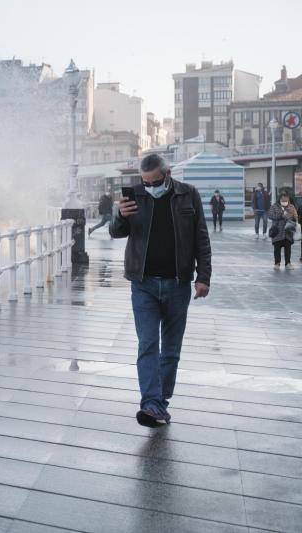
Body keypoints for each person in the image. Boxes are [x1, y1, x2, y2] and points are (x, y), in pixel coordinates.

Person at [110, 154, 211, 427]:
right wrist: (121, 216)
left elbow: (201, 236)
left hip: (178, 283)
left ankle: (160, 402)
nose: (150, 186)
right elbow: (116, 232)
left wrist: (204, 277)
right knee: (148, 344)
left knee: (171, 349)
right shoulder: (136, 196)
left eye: (155, 181)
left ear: (167, 174)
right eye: (145, 182)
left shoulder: (188, 194)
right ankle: (151, 403)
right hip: (143, 283)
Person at [268, 192, 298, 269]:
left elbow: (295, 216)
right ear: (280, 199)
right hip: (277, 231)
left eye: (286, 199)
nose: (284, 201)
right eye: (283, 199)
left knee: (288, 249)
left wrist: (291, 218)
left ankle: (288, 263)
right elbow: (270, 216)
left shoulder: (291, 207)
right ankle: (277, 263)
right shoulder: (274, 206)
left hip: (288, 232)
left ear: (288, 199)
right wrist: (281, 215)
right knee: (277, 249)